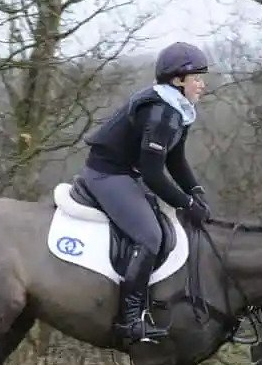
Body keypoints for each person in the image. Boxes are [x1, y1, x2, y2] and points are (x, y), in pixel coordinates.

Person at [80, 41, 212, 343]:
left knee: (166, 229)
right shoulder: (160, 113)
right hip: (107, 174)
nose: (202, 85)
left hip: (127, 173)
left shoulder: (177, 108)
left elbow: (174, 159)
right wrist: (185, 202)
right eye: (197, 79)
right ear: (178, 80)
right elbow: (153, 173)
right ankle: (129, 319)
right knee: (150, 236)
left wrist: (196, 191)